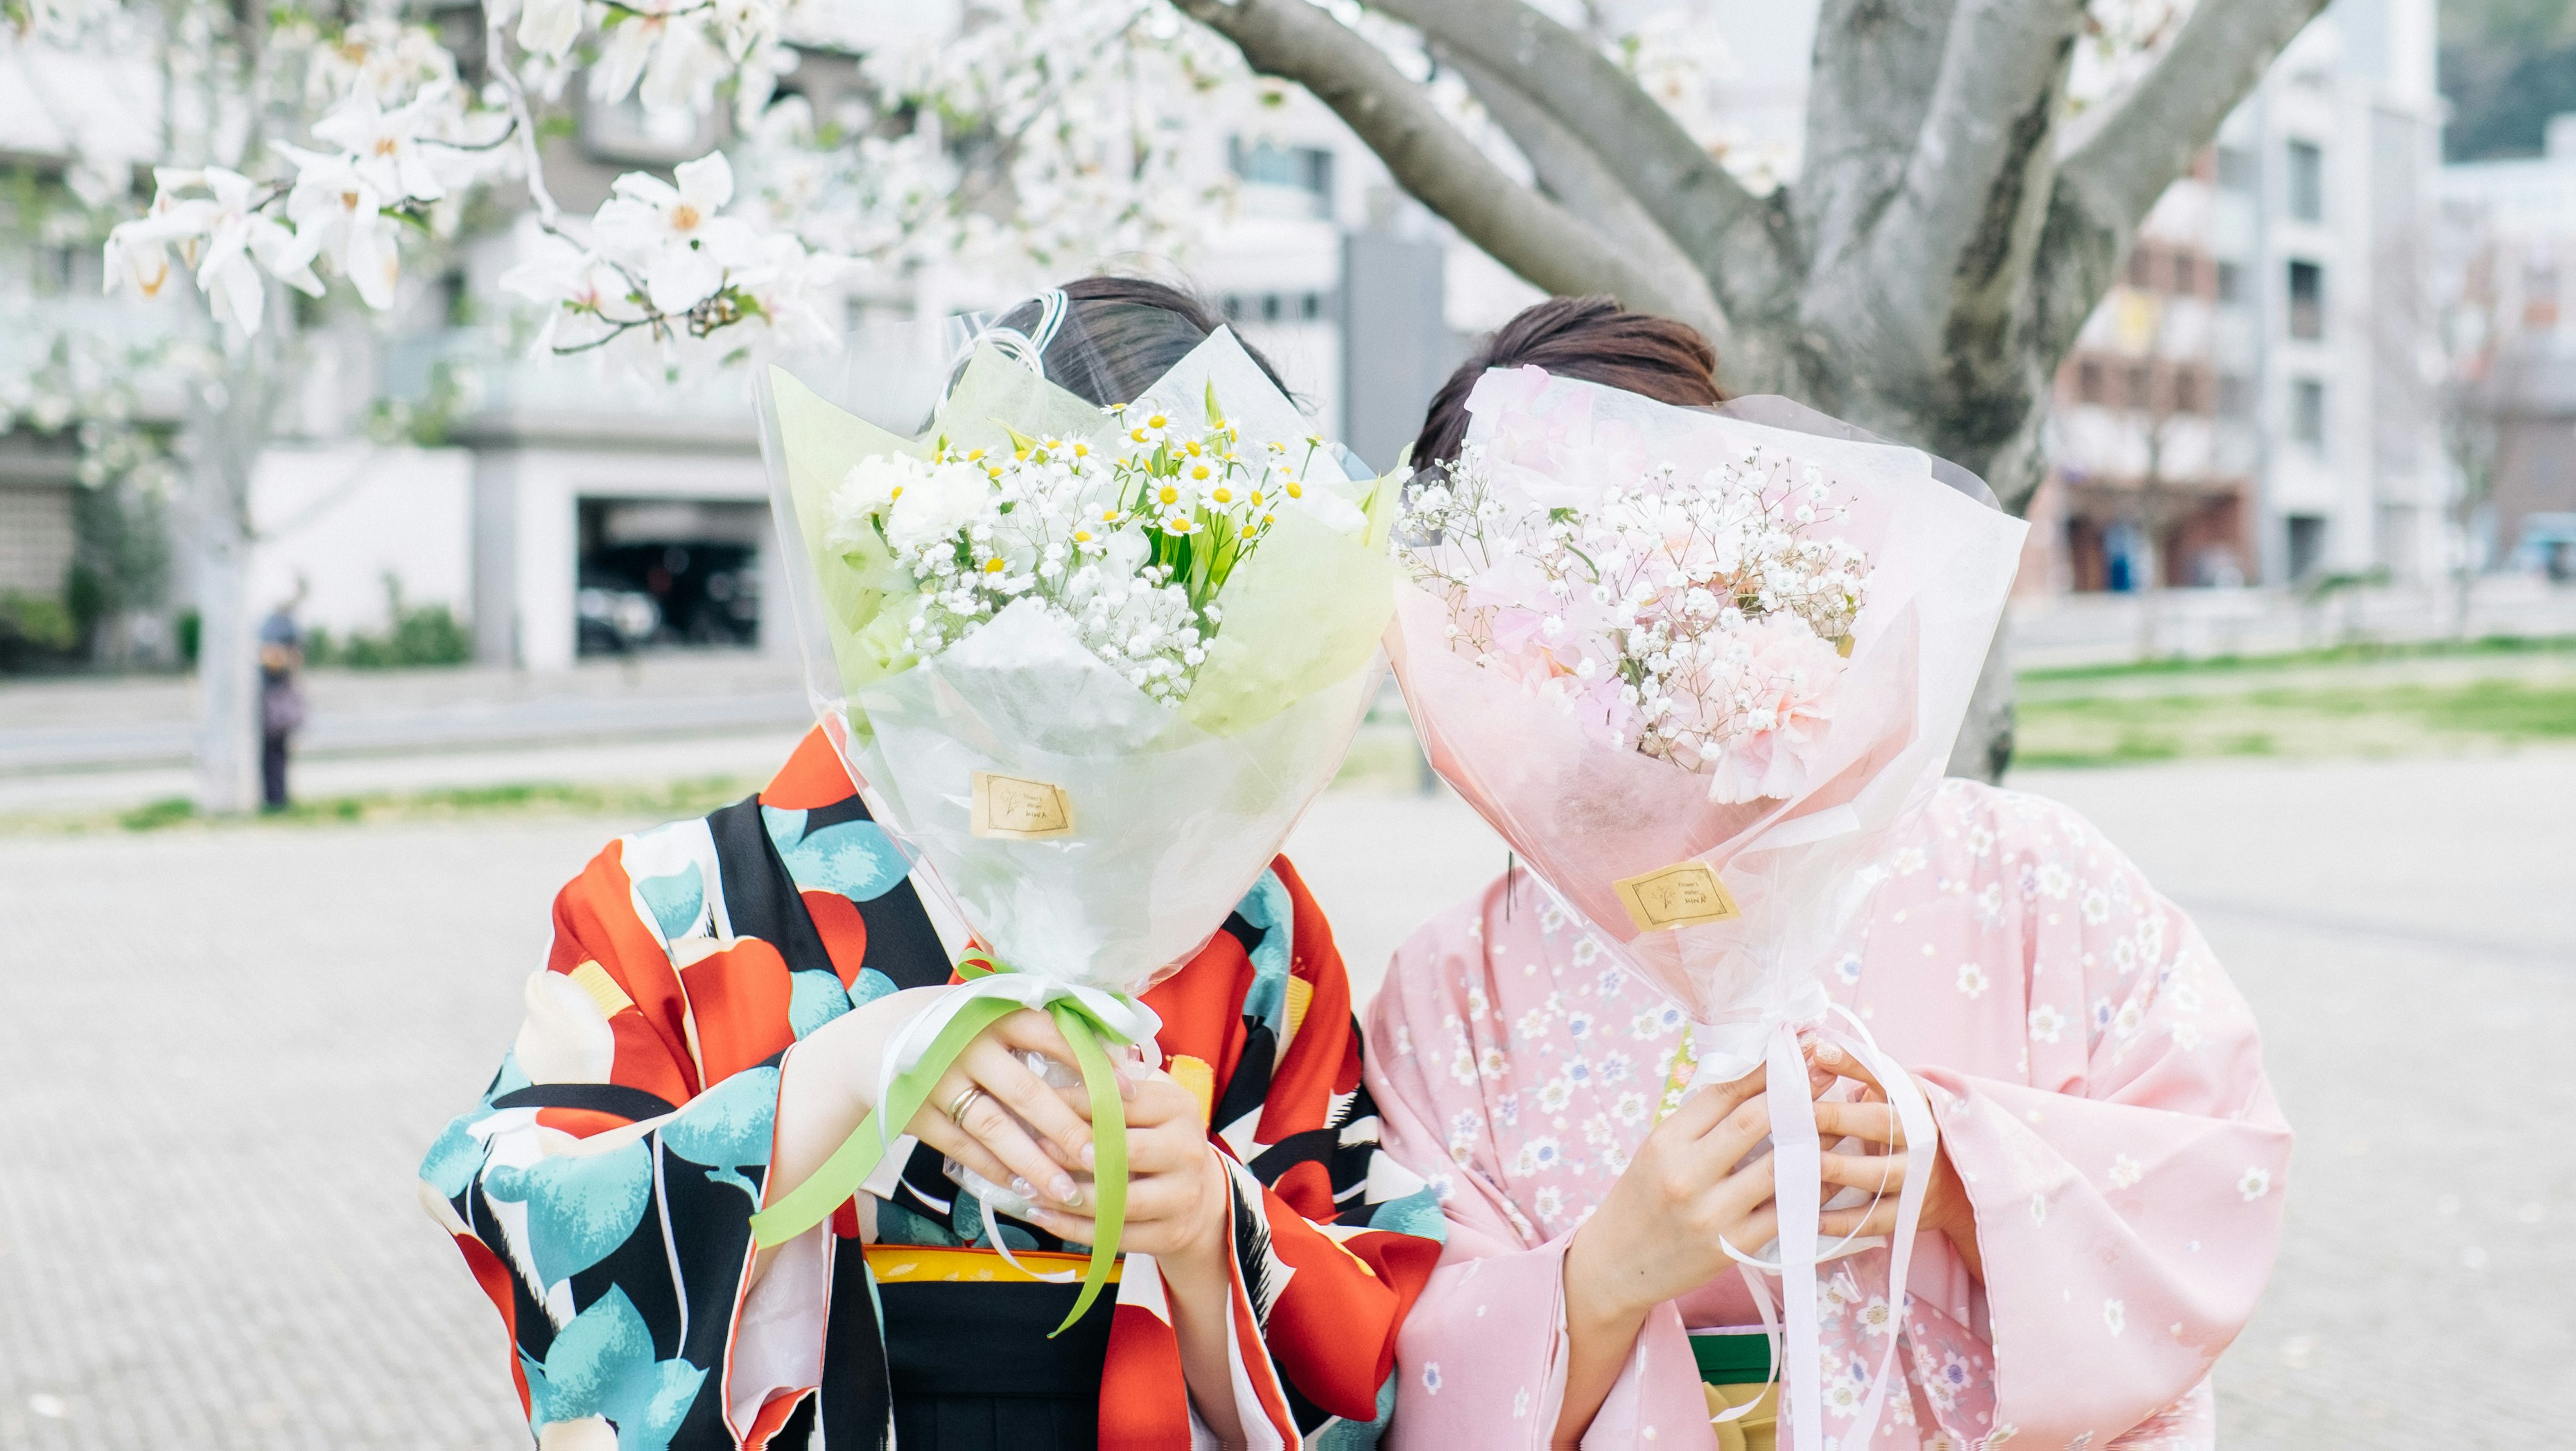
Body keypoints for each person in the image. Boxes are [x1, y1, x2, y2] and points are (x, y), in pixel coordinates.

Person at [421, 277, 1443, 1451]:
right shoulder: (675, 904)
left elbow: (1378, 1327)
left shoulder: (1252, 927)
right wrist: (831, 1084)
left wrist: (1212, 1229)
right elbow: (530, 1221)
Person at [1365, 297, 2290, 1449]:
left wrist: (1959, 1175)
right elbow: (1390, 1359)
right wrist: (1608, 1272)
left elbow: (2213, 1176)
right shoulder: (1451, 989)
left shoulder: (2030, 877)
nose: (1593, 646)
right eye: (1535, 624)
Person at [257, 593, 306, 810]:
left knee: (275, 755)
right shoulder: (281, 625)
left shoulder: (278, 627)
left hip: (276, 705)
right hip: (276, 703)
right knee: (274, 755)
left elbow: (284, 661)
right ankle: (276, 798)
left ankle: (277, 800)